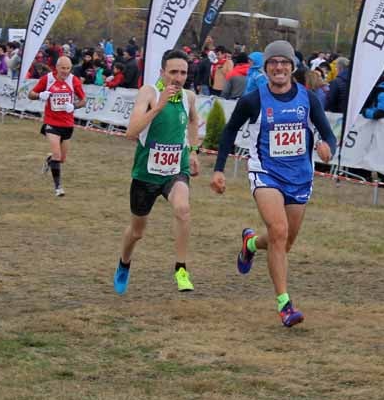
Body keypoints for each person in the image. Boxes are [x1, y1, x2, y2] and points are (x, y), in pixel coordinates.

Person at [210, 40, 337, 327]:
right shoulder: (253, 100)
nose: (279, 67)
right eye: (273, 63)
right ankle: (285, 304)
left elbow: (328, 134)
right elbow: (229, 131)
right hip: (265, 173)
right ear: (266, 68)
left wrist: (328, 147)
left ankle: (251, 243)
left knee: (284, 241)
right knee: (278, 231)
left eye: (284, 62)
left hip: (300, 177)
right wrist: (218, 169)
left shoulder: (308, 98)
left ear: (292, 67)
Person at [114, 50, 200, 295]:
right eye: (173, 72)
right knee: (137, 231)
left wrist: (193, 151)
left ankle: (181, 269)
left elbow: (193, 121)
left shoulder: (189, 97)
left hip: (175, 169)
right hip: (146, 173)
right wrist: (159, 106)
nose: (178, 77)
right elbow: (131, 132)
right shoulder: (149, 93)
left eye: (183, 73)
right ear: (162, 72)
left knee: (183, 209)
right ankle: (124, 263)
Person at [28, 56, 86, 197]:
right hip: (51, 122)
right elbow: (31, 94)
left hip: (67, 123)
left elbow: (83, 100)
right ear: (57, 67)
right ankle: (58, 187)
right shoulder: (47, 79)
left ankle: (49, 161)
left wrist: (74, 106)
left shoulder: (74, 80)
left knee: (61, 159)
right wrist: (40, 95)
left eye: (68, 68)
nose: (65, 71)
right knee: (57, 154)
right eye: (63, 68)